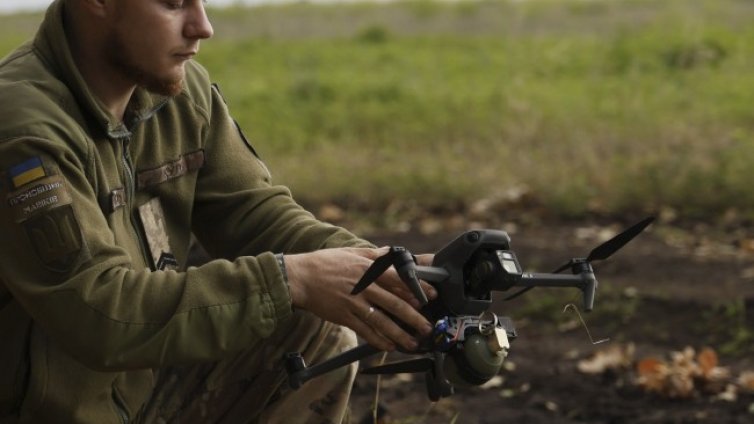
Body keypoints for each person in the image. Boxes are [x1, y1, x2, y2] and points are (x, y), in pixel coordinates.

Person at [0, 0, 437, 422]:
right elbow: (100, 312)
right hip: (45, 410)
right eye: (173, 4)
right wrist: (291, 278)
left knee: (316, 335)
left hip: (136, 394)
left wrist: (387, 273)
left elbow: (254, 214)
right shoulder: (22, 126)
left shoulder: (177, 92)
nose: (202, 26)